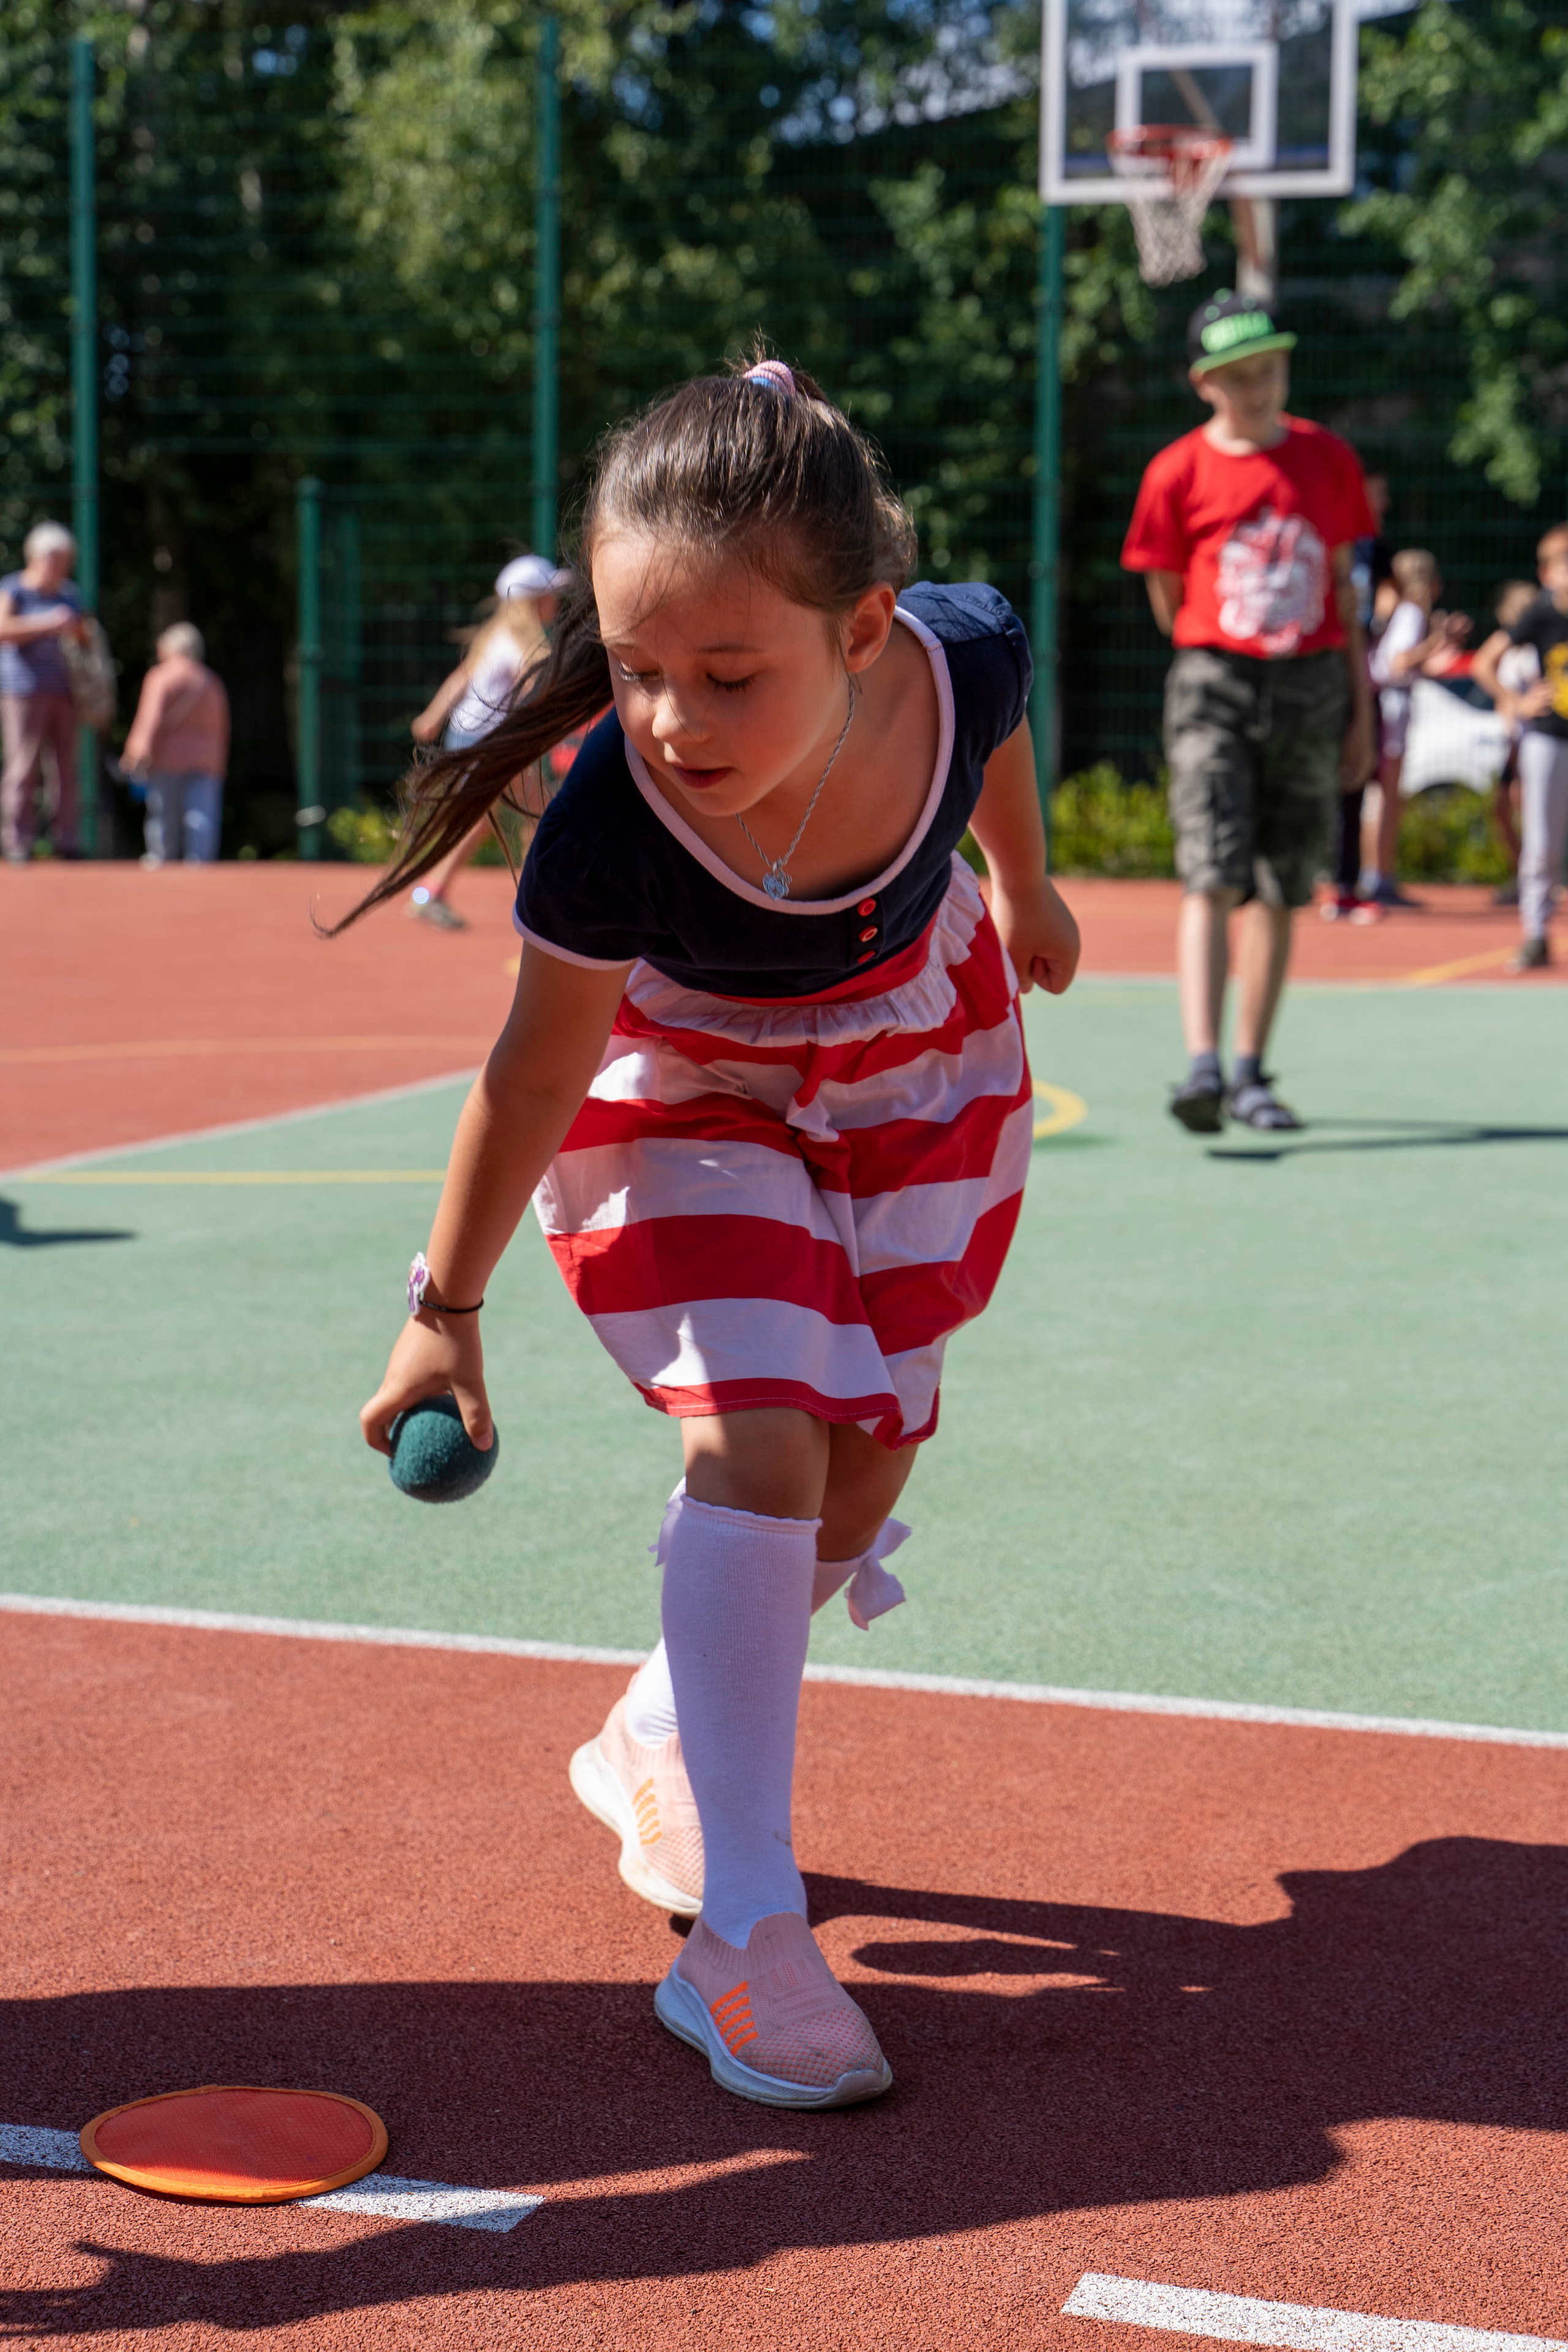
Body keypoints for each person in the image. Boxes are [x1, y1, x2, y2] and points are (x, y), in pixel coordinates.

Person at [351, 355, 1080, 2109]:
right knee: (759, 1439)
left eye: (728, 674)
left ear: (865, 627)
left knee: (870, 1458)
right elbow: (531, 1075)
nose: (673, 717)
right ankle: (744, 1932)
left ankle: (668, 1727)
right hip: (689, 1092)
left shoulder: (956, 648)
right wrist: (441, 1307)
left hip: (910, 1052)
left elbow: (999, 719)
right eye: (639, 670)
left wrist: (1028, 877)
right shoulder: (615, 820)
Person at [1121, 292, 1376, 1132]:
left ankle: (1250, 1073)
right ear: (1204, 384)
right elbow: (1167, 594)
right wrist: (1222, 645)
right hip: (1214, 683)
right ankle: (1200, 1066)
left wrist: (1360, 711)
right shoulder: (1176, 473)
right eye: (1236, 377)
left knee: (1278, 882)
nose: (1256, 387)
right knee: (1211, 866)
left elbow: (1342, 586)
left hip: (1312, 685)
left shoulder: (1326, 459)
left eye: (1267, 370)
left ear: (1285, 368)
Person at [405, 553, 571, 929]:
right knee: (537, 812)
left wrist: (433, 717)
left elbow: (461, 677)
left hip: (472, 737)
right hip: (490, 742)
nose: (558, 601)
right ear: (534, 601)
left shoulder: (496, 634)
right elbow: (538, 692)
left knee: (500, 818)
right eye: (551, 593)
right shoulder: (522, 642)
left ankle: (430, 893)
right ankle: (539, 904)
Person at [1471, 523, 1568, 971]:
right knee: (1541, 841)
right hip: (1548, 739)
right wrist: (1516, 702)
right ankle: (1536, 932)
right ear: (1548, 572)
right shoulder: (1542, 617)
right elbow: (1483, 661)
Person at [1357, 549, 1472, 910]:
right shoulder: (1409, 613)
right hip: (1393, 705)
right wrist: (1436, 642)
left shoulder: (1395, 612)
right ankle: (1379, 877)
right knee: (1388, 797)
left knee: (1381, 797)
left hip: (1389, 703)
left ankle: (1372, 875)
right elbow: (1398, 662)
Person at [0, 521, 88, 864]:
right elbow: (3, 630)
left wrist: (79, 631)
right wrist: (48, 623)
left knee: (66, 769)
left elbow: (83, 638)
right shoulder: (13, 589)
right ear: (34, 557)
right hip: (22, 691)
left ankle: (68, 841)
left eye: (66, 560)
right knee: (23, 767)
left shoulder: (69, 594)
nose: (61, 566)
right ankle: (17, 841)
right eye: (55, 558)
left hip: (64, 692)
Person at [121, 622, 231, 865]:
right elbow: (221, 723)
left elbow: (150, 719)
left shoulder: (161, 677)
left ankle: (161, 859)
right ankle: (199, 861)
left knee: (163, 813)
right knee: (201, 813)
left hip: (167, 758)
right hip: (207, 758)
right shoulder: (210, 680)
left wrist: (136, 751)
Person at [1469, 581, 1537, 904]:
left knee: (1524, 807)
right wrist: (1509, 701)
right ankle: (1524, 874)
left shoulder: (1538, 648)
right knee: (1501, 809)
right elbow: (1482, 668)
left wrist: (1518, 704)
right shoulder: (1509, 647)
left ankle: (1537, 879)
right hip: (1511, 740)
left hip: (1532, 739)